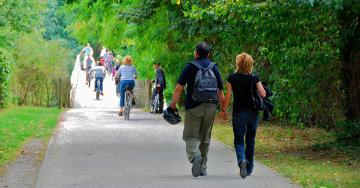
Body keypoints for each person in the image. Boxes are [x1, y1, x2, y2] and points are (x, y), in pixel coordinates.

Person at [168, 42, 225, 177]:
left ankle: (195, 157)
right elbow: (220, 91)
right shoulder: (214, 67)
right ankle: (203, 167)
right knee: (205, 137)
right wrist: (223, 109)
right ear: (208, 54)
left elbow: (178, 88)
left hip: (193, 106)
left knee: (191, 136)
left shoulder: (190, 67)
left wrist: (173, 105)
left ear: (196, 53)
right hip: (211, 106)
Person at [220, 52, 266, 178]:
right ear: (250, 64)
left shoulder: (232, 78)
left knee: (239, 140)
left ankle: (242, 161)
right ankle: (249, 169)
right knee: (250, 141)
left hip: (238, 113)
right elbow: (263, 94)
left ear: (238, 64)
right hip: (253, 114)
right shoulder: (254, 78)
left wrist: (223, 110)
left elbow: (228, 97)